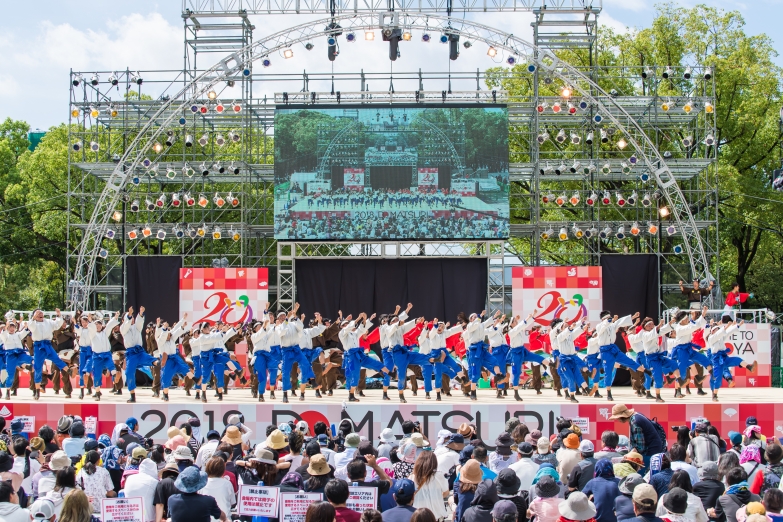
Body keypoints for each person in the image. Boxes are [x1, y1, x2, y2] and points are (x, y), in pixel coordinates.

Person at [28, 309, 70, 400]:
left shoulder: (48, 322)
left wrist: (59, 315)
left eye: (41, 313)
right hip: (38, 346)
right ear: (34, 316)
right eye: (38, 313)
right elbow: (30, 326)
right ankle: (37, 390)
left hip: (47, 344)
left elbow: (57, 325)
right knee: (38, 368)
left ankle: (69, 370)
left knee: (56, 359)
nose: (40, 314)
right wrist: (33, 318)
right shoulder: (33, 323)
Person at [610, 405, 665, 472]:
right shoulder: (637, 415)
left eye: (617, 418)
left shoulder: (635, 422)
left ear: (622, 416)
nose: (617, 420)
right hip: (654, 449)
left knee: (641, 474)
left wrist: (627, 456)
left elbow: (640, 447)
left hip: (649, 452)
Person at [410, 450, 449, 519]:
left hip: (419, 515)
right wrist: (436, 497)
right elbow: (446, 492)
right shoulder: (438, 475)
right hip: (437, 514)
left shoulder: (413, 477)